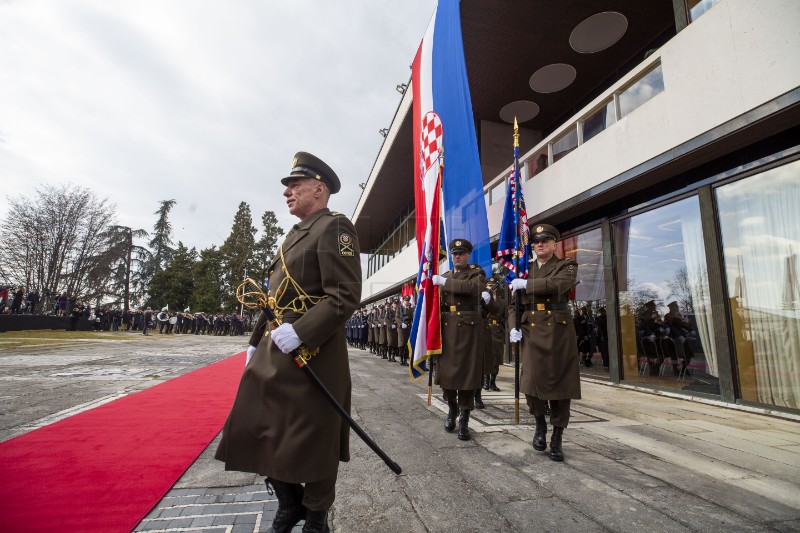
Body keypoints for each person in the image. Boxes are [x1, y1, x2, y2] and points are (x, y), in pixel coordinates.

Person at [215, 151, 361, 533]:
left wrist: (301, 332)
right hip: (273, 347)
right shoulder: (294, 235)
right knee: (251, 426)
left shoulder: (335, 227)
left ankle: (315, 517)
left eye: (295, 185)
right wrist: (253, 342)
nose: (287, 192)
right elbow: (273, 299)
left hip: (313, 352)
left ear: (320, 188)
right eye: (287, 186)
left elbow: (344, 295)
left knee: (314, 438)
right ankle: (289, 501)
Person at [508, 223, 580, 462]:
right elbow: (513, 305)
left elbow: (557, 285)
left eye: (545, 241)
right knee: (530, 383)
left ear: (554, 244)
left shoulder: (566, 265)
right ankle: (540, 424)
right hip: (530, 331)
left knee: (560, 386)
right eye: (536, 242)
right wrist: (513, 327)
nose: (539, 244)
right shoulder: (524, 269)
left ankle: (557, 435)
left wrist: (526, 284)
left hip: (557, 332)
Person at [431, 238, 485, 441]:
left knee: (467, 377)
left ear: (468, 255)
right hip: (447, 330)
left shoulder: (476, 273)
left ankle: (464, 418)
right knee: (447, 375)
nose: (457, 257)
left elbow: (474, 288)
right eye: (454, 254)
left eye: (461, 253)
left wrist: (445, 283)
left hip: (469, 331)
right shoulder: (444, 275)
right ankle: (452, 409)